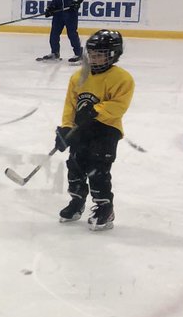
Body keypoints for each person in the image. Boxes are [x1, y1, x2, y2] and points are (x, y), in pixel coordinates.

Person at [53, 30, 134, 231]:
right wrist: (65, 127)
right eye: (92, 54)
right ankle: (77, 201)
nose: (94, 58)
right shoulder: (79, 77)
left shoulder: (122, 78)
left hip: (106, 129)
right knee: (75, 165)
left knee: (98, 169)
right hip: (81, 130)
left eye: (100, 54)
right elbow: (70, 105)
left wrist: (95, 111)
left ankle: (104, 207)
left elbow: (119, 105)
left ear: (113, 54)